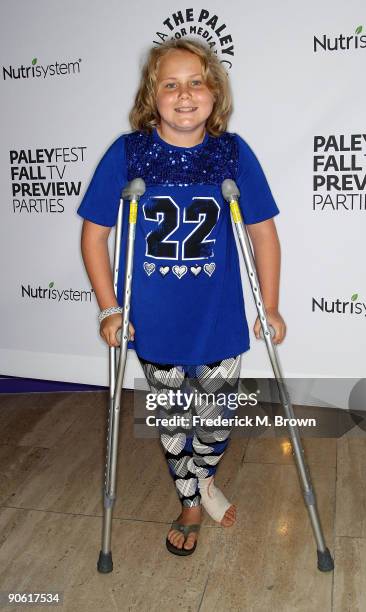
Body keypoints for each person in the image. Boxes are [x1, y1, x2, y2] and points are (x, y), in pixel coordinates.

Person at [77, 37, 286, 556]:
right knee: (173, 423)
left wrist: (271, 304)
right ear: (153, 96)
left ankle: (206, 479)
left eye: (196, 82)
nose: (185, 94)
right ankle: (190, 500)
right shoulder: (128, 154)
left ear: (215, 94)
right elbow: (94, 234)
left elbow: (262, 232)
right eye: (170, 84)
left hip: (217, 320)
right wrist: (110, 308)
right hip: (155, 321)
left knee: (214, 421)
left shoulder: (231, 153)